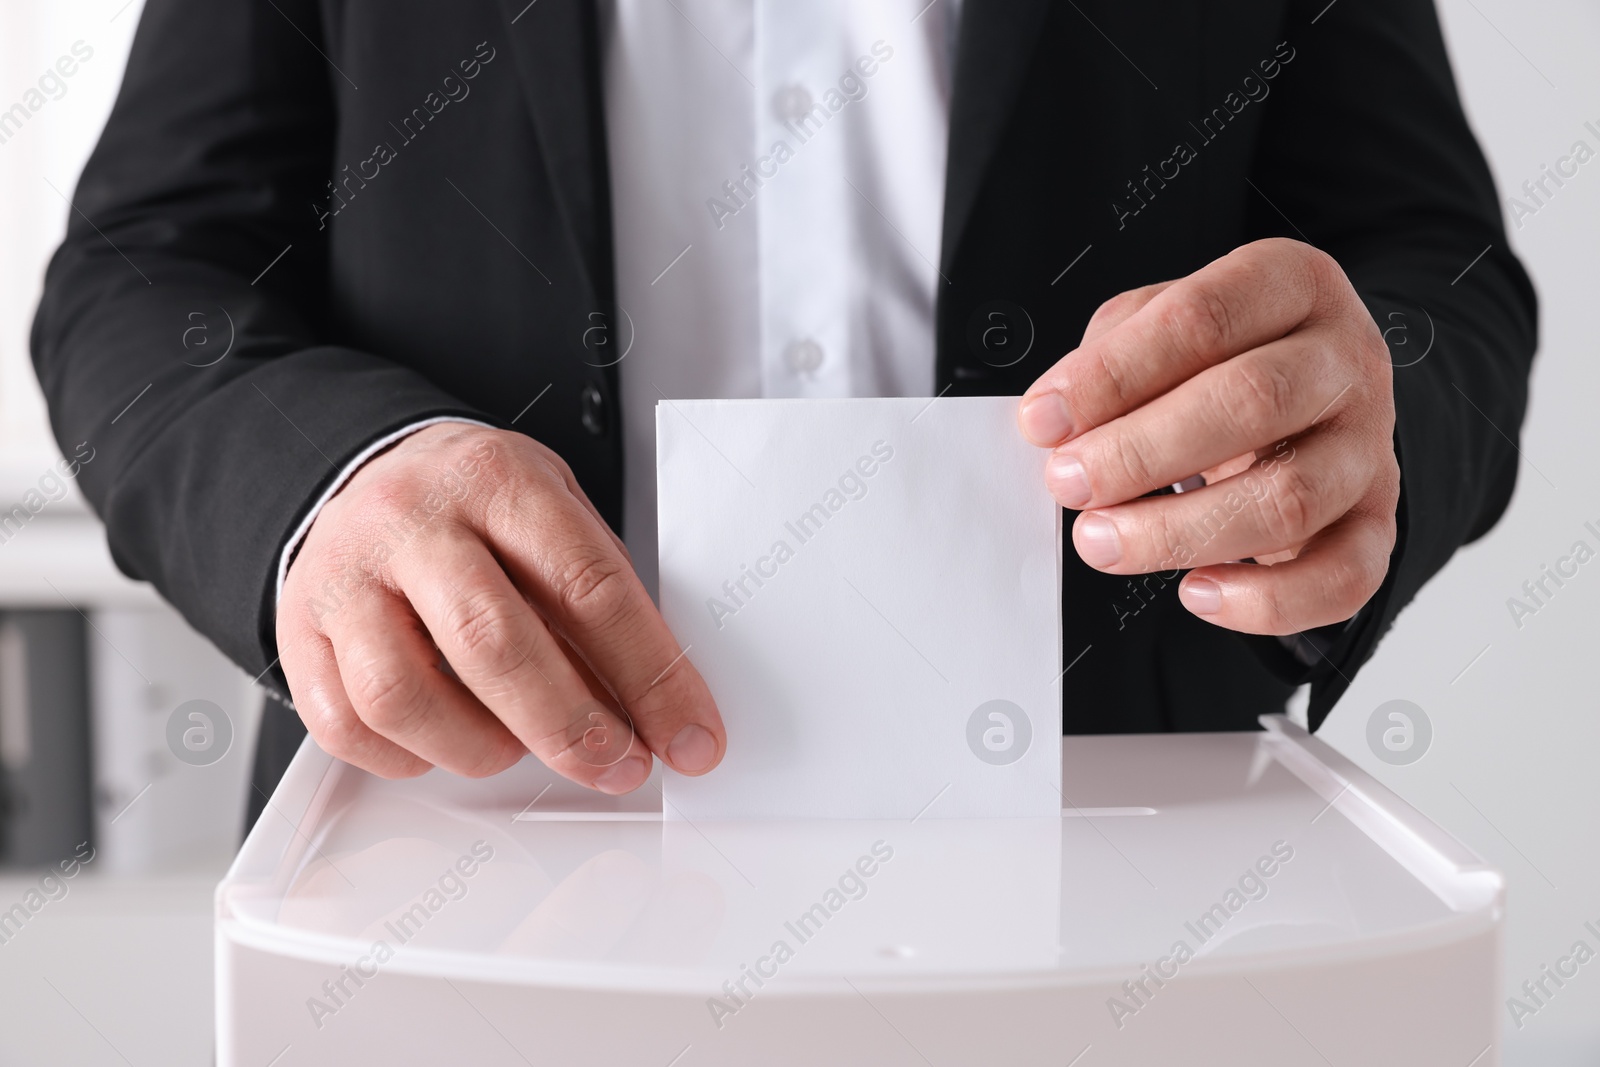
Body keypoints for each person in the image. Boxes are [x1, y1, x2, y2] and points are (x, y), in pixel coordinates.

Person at [31, 0, 1535, 820]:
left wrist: (1361, 407)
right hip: (463, 839)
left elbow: (1431, 264)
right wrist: (327, 483)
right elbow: (146, 265)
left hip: (1116, 865)